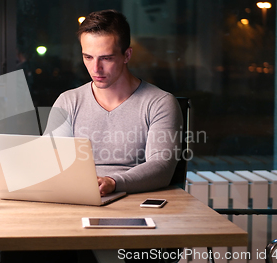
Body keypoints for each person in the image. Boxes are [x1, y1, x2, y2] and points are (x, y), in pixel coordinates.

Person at [45, 9, 183, 197]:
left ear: (127, 55)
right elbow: (50, 161)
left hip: (135, 198)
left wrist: (113, 182)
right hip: (78, 197)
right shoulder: (68, 101)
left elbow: (162, 166)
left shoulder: (159, 103)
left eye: (106, 58)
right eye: (88, 57)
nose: (96, 68)